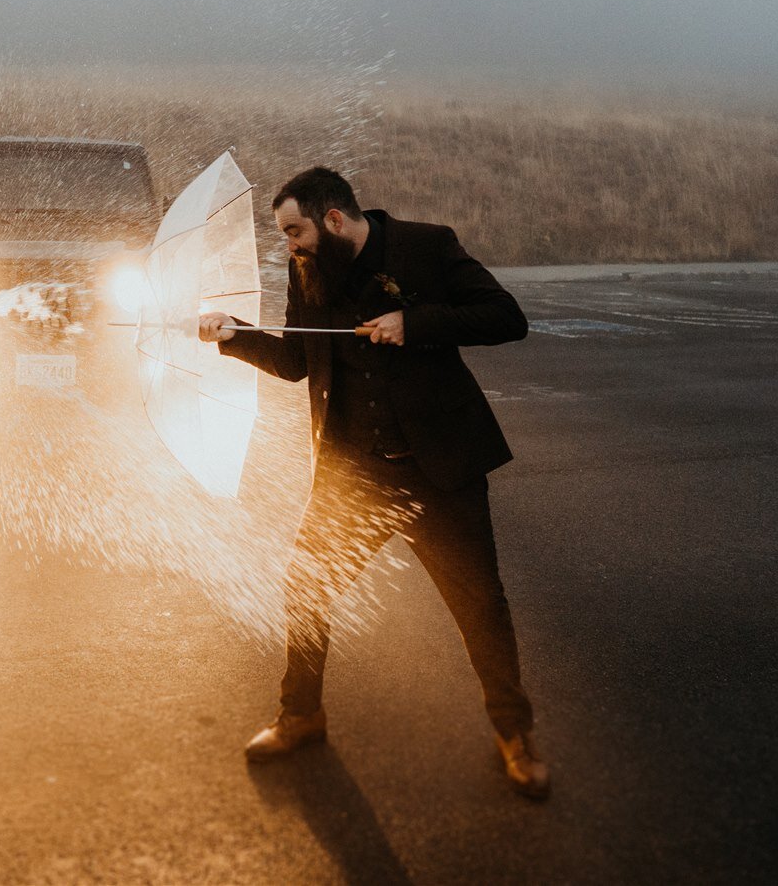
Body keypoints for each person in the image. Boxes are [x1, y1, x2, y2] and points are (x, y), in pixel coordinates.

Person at [198, 166, 550, 798]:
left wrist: (415, 325)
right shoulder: (306, 269)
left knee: (480, 608)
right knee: (305, 592)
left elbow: (505, 316)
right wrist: (235, 336)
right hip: (350, 473)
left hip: (437, 471)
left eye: (294, 230)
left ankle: (514, 733)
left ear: (334, 220)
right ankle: (301, 715)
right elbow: (296, 361)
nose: (289, 245)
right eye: (284, 235)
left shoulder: (426, 245)